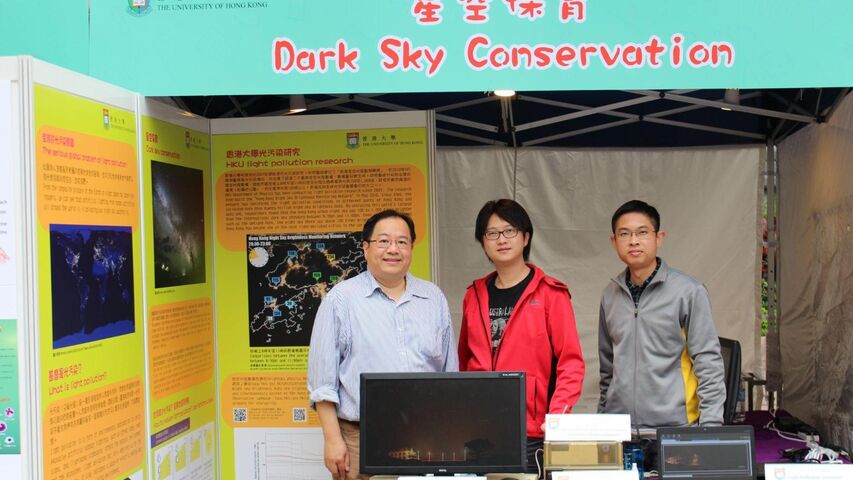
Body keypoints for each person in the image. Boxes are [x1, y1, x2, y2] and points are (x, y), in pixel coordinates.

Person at [307, 209, 458, 480]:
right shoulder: (341, 300)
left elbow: (449, 373)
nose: (393, 249)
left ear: (411, 248)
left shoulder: (433, 298)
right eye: (384, 241)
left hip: (426, 436)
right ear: (365, 248)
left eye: (402, 241)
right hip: (360, 438)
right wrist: (332, 440)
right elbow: (322, 384)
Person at [458, 199, 585, 475]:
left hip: (532, 432)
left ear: (525, 237)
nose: (501, 239)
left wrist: (558, 417)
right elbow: (464, 360)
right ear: (483, 242)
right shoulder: (473, 295)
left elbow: (571, 363)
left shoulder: (551, 294)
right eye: (492, 233)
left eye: (510, 231)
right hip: (480, 431)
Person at [598, 200, 726, 429]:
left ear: (659, 238)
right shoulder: (610, 295)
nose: (634, 241)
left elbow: (708, 362)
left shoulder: (688, 292)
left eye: (642, 232)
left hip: (675, 429)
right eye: (624, 234)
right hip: (620, 430)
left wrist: (711, 427)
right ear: (614, 241)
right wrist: (603, 421)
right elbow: (607, 368)